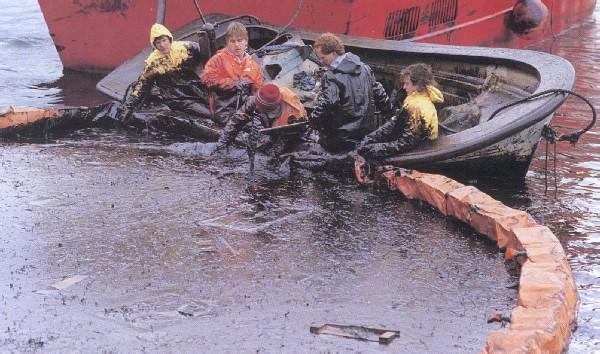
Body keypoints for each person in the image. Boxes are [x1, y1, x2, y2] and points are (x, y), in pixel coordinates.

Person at [309, 32, 392, 153]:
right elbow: (379, 93)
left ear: (333, 53)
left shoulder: (331, 76)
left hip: (341, 138)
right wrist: (389, 113)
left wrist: (312, 121)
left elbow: (327, 103)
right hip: (366, 134)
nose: (321, 61)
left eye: (322, 57)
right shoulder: (364, 68)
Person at [117, 23, 212, 126]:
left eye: (164, 40)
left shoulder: (186, 47)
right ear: (154, 45)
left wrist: (207, 40)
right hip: (177, 98)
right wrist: (127, 108)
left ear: (170, 39)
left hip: (196, 90)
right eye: (158, 43)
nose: (162, 45)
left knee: (219, 106)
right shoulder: (153, 63)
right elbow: (141, 87)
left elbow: (207, 57)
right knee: (211, 114)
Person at [357, 63, 444, 160]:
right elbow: (395, 122)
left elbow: (406, 142)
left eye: (407, 84)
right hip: (415, 143)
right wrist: (370, 138)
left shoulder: (417, 106)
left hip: (419, 151)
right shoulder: (417, 98)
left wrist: (373, 149)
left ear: (418, 85)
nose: (404, 87)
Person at [214, 83, 308, 156]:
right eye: (257, 105)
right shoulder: (254, 101)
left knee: (279, 155)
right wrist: (222, 143)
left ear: (269, 108)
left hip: (295, 134)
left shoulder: (294, 116)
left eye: (261, 108)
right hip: (271, 126)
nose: (257, 108)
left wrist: (273, 155)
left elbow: (284, 143)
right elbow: (236, 121)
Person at [201, 22, 263, 125]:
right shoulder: (218, 59)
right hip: (223, 110)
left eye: (240, 40)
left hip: (245, 109)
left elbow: (258, 90)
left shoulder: (254, 65)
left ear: (246, 41)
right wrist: (232, 84)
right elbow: (206, 78)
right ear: (227, 42)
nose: (237, 45)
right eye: (232, 41)